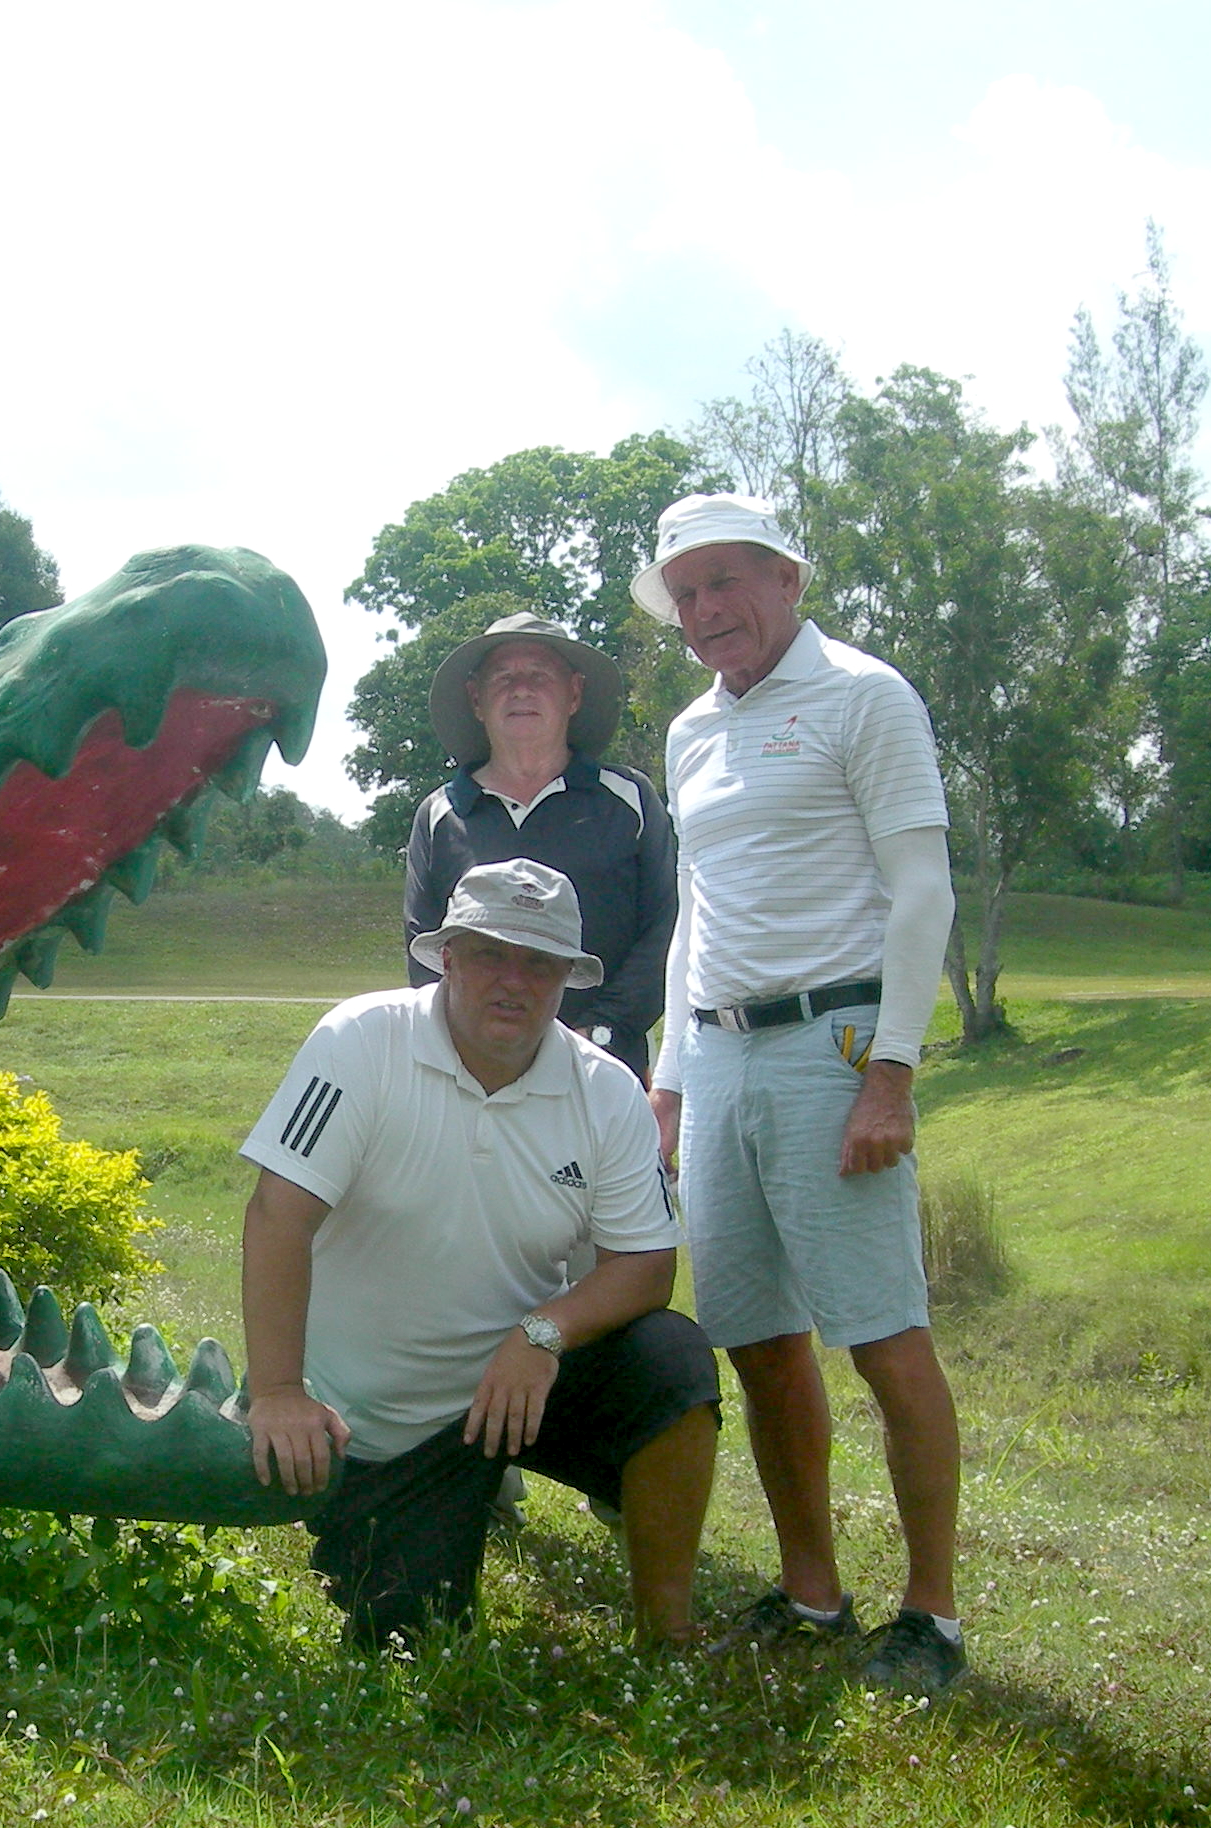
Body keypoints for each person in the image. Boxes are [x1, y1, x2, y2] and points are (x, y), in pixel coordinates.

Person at [632, 493, 968, 1696]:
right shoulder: (689, 731)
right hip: (717, 1052)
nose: (704, 609)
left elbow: (920, 889)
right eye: (684, 593)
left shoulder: (863, 696)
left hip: (833, 1042)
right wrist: (669, 1079)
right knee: (755, 1339)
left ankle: (929, 1614)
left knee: (879, 1333)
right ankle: (812, 1590)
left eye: (724, 580)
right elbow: (695, 914)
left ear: (785, 578)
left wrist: (891, 1070)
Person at [240, 858, 720, 1646]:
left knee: (671, 1359)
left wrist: (542, 1334)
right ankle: (440, 1512)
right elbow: (277, 1216)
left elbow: (646, 1266)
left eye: (539, 963)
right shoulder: (360, 1040)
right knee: (409, 1640)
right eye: (491, 954)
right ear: (448, 956)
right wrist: (280, 1391)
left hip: (520, 1385)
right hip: (377, 1429)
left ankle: (666, 1630)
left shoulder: (607, 1091)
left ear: (568, 977)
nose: (513, 982)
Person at [406, 612, 677, 1085]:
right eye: (503, 677)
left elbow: (666, 928)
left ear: (574, 694)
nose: (521, 690)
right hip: (474, 1073)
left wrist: (602, 1031)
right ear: (476, 699)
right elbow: (425, 951)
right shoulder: (440, 814)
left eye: (539, 676)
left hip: (604, 1066)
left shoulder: (630, 799)